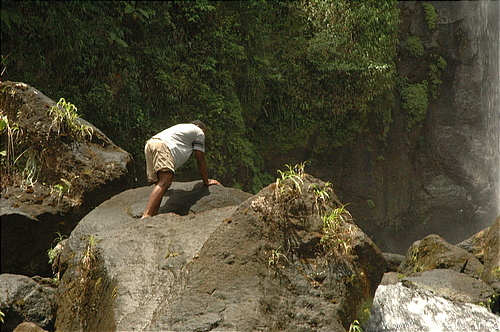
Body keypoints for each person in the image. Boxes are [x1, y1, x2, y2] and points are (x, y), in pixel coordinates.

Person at [142, 120, 220, 218]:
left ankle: (152, 215)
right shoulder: (198, 131)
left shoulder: (180, 128)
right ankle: (147, 215)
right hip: (162, 146)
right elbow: (200, 158)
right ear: (198, 126)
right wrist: (206, 181)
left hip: (150, 144)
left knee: (160, 183)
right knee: (165, 182)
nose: (203, 137)